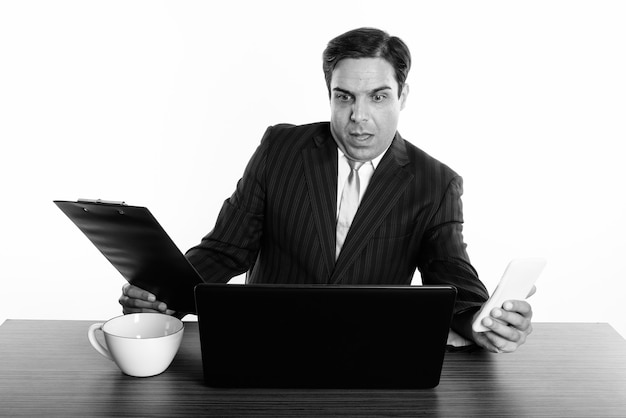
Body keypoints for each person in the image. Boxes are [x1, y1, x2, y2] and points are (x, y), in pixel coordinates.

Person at [119, 27, 534, 353]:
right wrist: (164, 296)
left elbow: (452, 275)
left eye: (378, 97)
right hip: (264, 346)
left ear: (402, 96)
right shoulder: (280, 149)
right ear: (330, 95)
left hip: (371, 354)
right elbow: (225, 250)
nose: (359, 117)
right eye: (344, 97)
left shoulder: (436, 182)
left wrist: (486, 321)